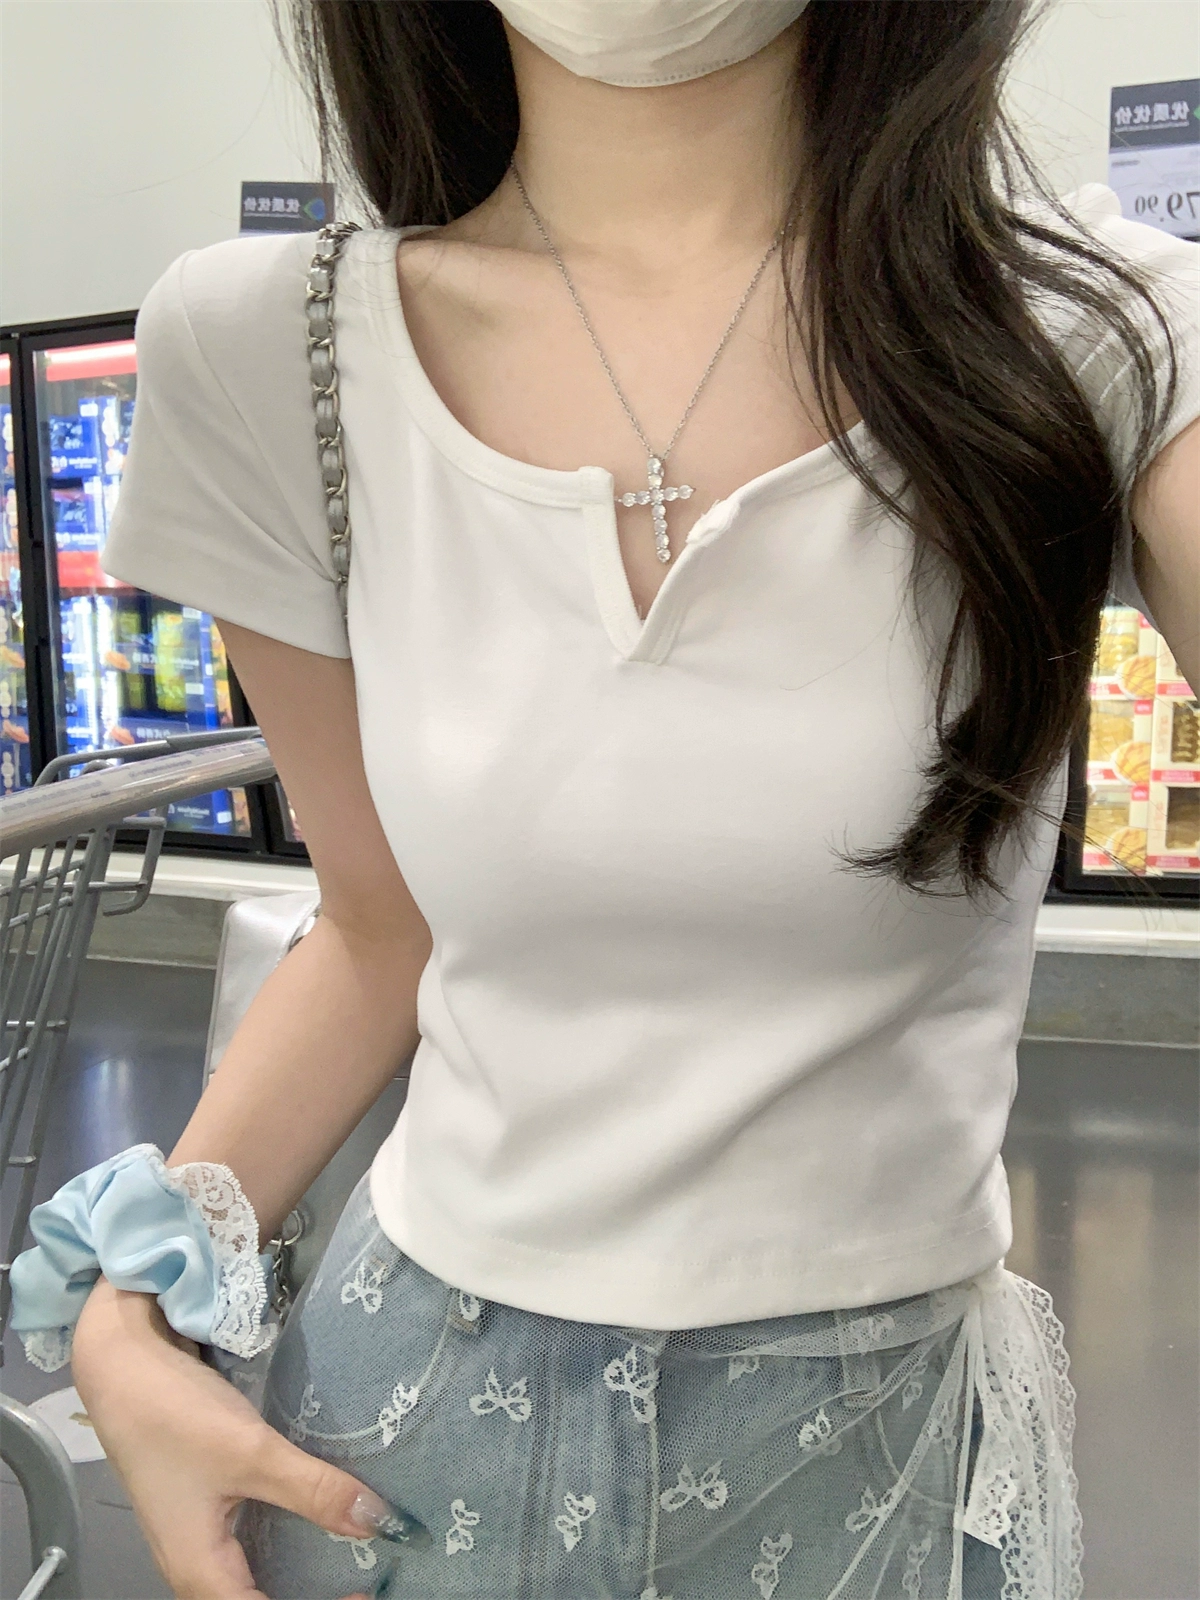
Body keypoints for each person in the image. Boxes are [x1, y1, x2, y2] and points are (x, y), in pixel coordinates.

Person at [12, 3, 1197, 1598]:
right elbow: (376, 929)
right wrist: (132, 1306)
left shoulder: (1093, 332)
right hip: (402, 1442)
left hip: (875, 1465)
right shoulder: (276, 348)